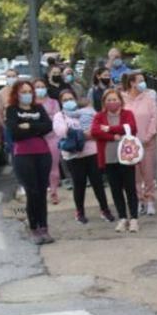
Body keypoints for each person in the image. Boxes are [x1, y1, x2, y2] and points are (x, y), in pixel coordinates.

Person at [52, 89, 114, 224]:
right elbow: (61, 131)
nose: (68, 102)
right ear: (61, 102)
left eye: (70, 99)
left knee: (97, 183)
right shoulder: (60, 116)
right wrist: (83, 134)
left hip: (92, 152)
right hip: (73, 156)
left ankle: (105, 209)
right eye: (65, 100)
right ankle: (79, 211)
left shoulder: (86, 111)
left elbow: (97, 129)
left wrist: (78, 134)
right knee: (79, 185)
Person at [6, 80, 54, 245]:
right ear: (16, 94)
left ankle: (44, 227)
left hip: (42, 153)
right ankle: (34, 228)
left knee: (42, 192)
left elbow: (48, 126)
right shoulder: (12, 110)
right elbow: (14, 132)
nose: (27, 94)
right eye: (23, 91)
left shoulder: (39, 108)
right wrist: (35, 128)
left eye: (29, 91)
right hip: (23, 155)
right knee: (32, 192)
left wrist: (29, 126)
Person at [92, 89, 139, 232]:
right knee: (116, 189)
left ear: (120, 100)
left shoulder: (127, 114)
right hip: (109, 159)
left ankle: (134, 219)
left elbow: (132, 128)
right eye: (109, 100)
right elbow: (95, 132)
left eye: (115, 99)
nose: (112, 102)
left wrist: (109, 128)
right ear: (104, 102)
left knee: (130, 188)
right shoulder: (99, 116)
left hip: (127, 157)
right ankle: (123, 218)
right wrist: (113, 136)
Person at [120, 71, 157, 216]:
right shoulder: (123, 99)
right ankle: (138, 200)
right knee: (133, 175)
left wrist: (148, 136)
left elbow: (154, 117)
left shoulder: (149, 98)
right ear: (132, 83)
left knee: (148, 173)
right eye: (140, 80)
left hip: (147, 142)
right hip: (130, 143)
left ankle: (150, 200)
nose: (143, 83)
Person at [33, 78, 61, 205]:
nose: (40, 89)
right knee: (37, 167)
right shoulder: (30, 104)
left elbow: (57, 118)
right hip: (35, 138)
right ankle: (40, 192)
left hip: (52, 137)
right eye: (37, 86)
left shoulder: (53, 102)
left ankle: (54, 191)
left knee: (53, 166)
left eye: (42, 86)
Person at [0, 68, 19, 155]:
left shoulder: (23, 90)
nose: (11, 78)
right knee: (14, 150)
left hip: (24, 123)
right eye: (9, 76)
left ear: (17, 77)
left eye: (13, 76)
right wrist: (4, 125)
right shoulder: (1, 93)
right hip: (9, 125)